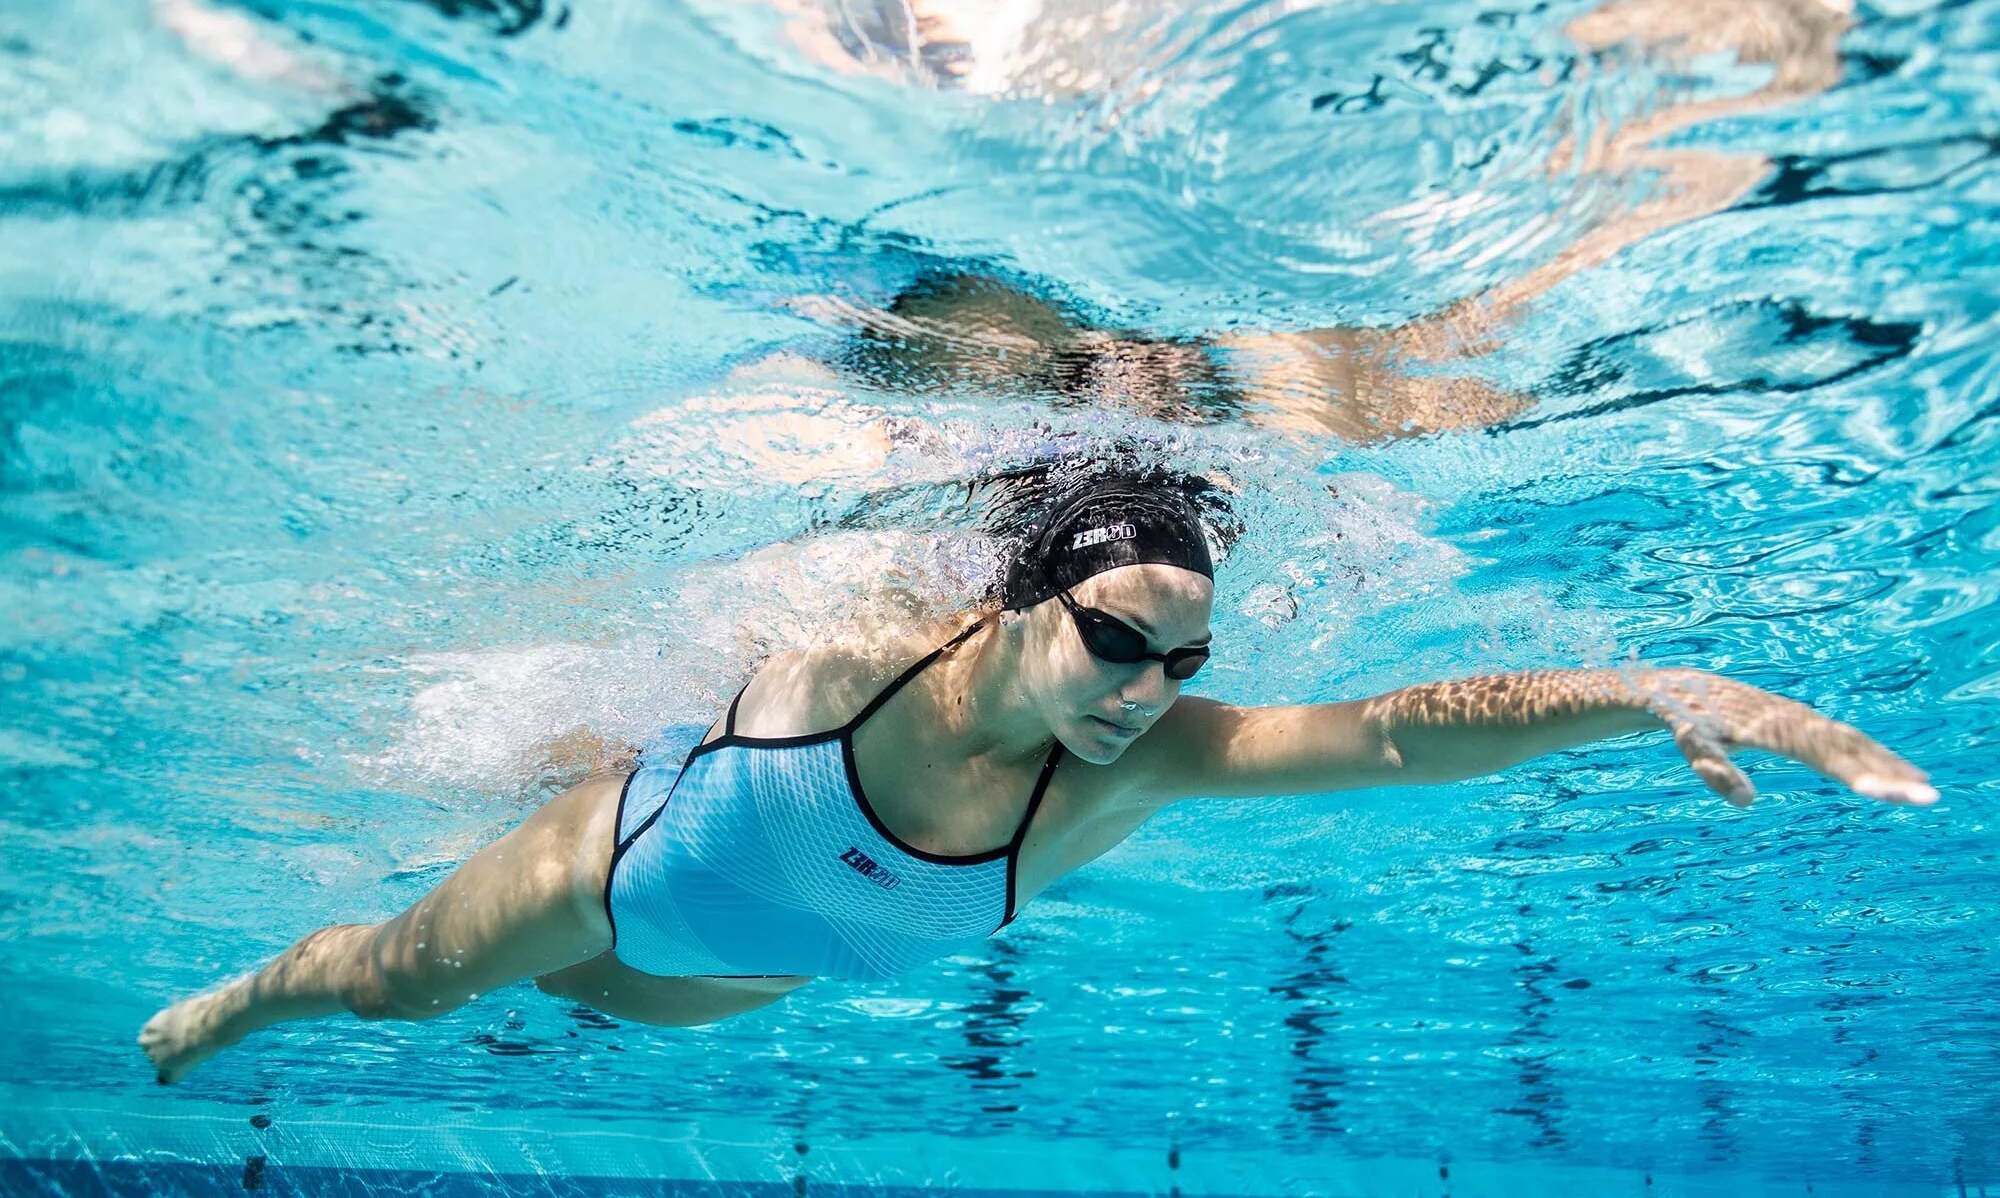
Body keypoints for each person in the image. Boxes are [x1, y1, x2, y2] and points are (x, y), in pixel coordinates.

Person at [140, 473, 1938, 1084]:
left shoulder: (1134, 772)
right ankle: (235, 1000)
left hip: (711, 982)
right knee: (398, 989)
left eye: (1185, 661)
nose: (1147, 694)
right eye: (1113, 640)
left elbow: (1394, 732)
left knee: (607, 1020)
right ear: (1021, 598)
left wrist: (1638, 690)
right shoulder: (868, 648)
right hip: (624, 868)